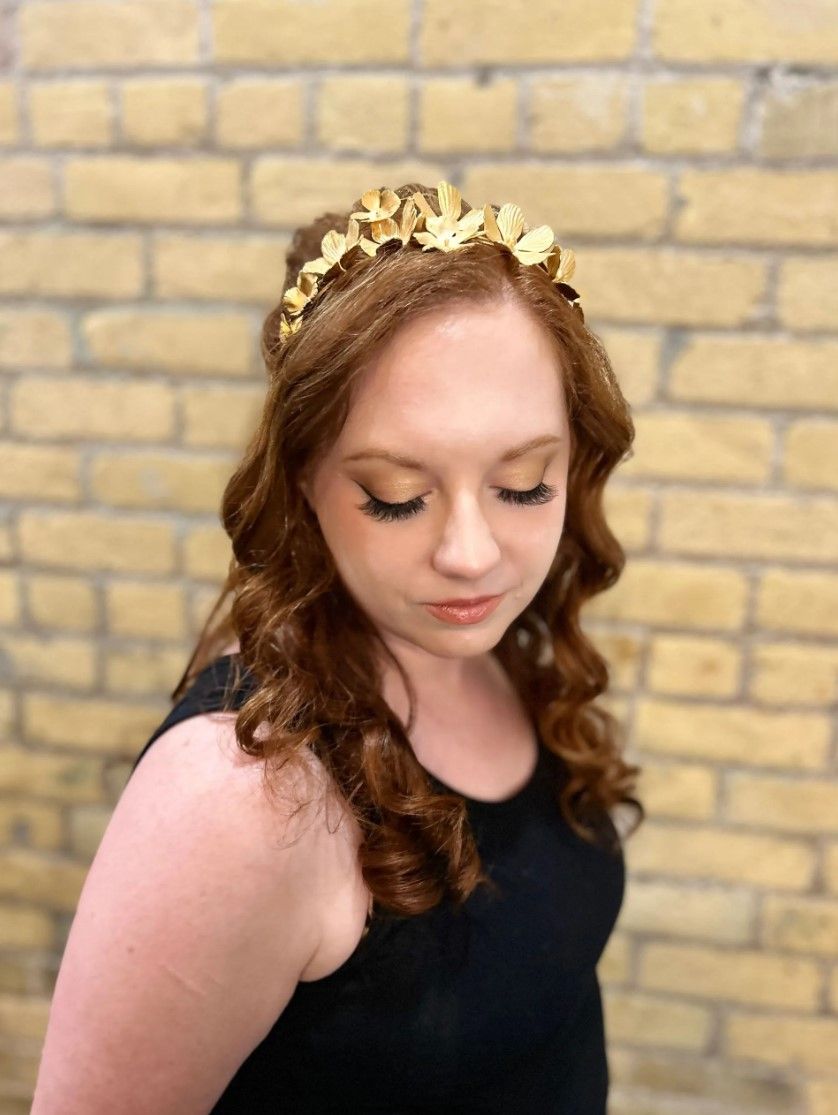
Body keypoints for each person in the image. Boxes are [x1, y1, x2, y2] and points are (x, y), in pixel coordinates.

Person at [31, 180, 644, 1114]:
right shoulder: (242, 797)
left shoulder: (496, 653)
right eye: (397, 495)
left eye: (524, 483)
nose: (470, 554)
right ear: (303, 479)